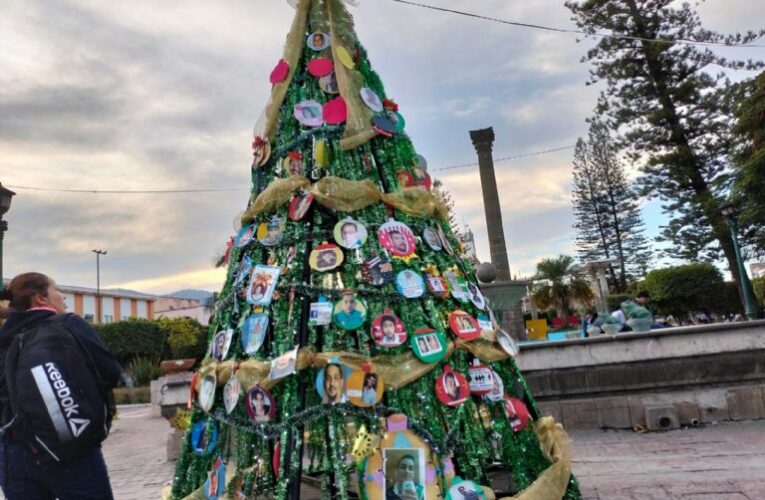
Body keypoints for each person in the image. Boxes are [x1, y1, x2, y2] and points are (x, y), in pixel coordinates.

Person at [0, 272, 122, 500]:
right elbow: (112, 372)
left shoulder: (4, 337)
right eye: (56, 290)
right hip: (70, 448)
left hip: (13, 455)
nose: (62, 296)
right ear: (41, 298)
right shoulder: (68, 325)